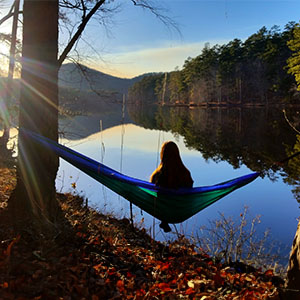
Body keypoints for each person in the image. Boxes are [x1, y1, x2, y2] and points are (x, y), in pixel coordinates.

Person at [150, 141, 193, 232]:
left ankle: (164, 220)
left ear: (163, 155)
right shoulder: (185, 173)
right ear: (178, 154)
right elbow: (190, 190)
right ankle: (165, 220)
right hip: (179, 208)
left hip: (162, 208)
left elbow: (152, 192)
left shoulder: (157, 175)